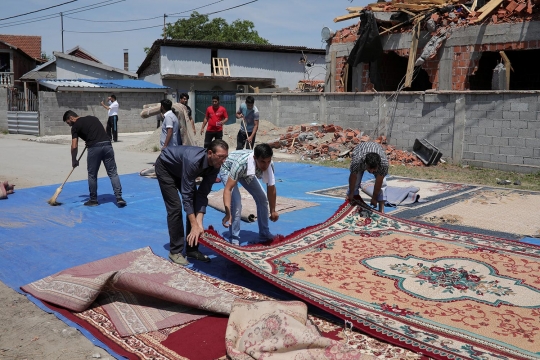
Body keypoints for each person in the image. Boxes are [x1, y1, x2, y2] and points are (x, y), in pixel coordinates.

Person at [155, 139, 229, 266]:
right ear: (210, 153)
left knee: (196, 204)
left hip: (181, 170)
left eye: (225, 157)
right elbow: (187, 196)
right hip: (166, 168)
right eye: (221, 157)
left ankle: (192, 249)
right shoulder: (193, 161)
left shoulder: (216, 165)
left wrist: (199, 224)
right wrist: (194, 225)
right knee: (175, 208)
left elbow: (202, 194)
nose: (224, 161)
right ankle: (175, 251)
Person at [63, 110, 126, 207]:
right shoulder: (93, 118)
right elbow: (102, 132)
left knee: (92, 175)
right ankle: (119, 198)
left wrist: (74, 160)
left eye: (69, 123)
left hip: (94, 148)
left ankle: (93, 200)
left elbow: (74, 146)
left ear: (71, 118)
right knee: (113, 173)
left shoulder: (75, 126)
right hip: (107, 145)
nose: (70, 126)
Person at [221, 143, 278, 245]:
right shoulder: (241, 164)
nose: (265, 165)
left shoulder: (270, 165)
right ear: (255, 158)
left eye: (268, 161)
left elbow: (271, 188)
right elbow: (228, 189)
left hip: (246, 173)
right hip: (229, 169)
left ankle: (264, 234)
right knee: (236, 202)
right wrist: (228, 213)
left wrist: (273, 210)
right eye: (263, 162)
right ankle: (234, 240)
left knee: (262, 198)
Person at [346, 142, 389, 213]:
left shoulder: (384, 164)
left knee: (383, 184)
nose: (371, 172)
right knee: (356, 183)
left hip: (377, 149)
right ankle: (354, 202)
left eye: (374, 169)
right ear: (366, 164)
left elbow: (379, 182)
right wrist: (351, 192)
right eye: (369, 169)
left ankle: (381, 208)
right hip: (360, 149)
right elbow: (353, 177)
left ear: (378, 165)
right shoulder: (357, 161)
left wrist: (374, 198)